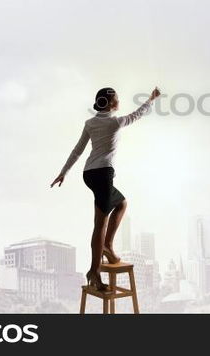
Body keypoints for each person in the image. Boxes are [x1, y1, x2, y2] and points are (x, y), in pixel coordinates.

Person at [51, 86, 161, 291]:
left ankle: (108, 247)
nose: (119, 101)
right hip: (103, 174)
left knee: (121, 203)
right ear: (110, 103)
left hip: (89, 174)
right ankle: (94, 271)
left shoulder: (90, 123)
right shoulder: (115, 122)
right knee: (99, 224)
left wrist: (64, 172)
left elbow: (78, 150)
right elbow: (139, 114)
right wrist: (152, 99)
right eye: (117, 99)